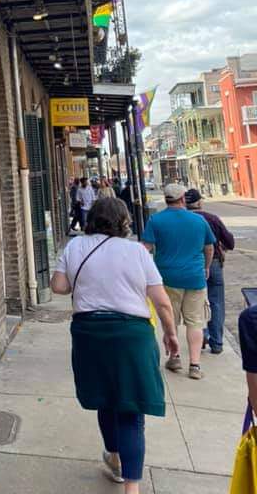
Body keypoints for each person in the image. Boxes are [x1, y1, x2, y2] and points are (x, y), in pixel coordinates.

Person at [51, 197, 179, 494]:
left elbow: (58, 286)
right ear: (123, 222)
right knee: (131, 409)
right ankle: (131, 486)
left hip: (89, 332)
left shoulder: (75, 246)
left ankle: (115, 458)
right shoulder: (136, 252)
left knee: (105, 398)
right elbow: (161, 301)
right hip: (131, 335)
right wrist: (171, 333)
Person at [142, 183, 215, 379]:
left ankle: (174, 357)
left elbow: (145, 248)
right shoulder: (198, 220)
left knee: (170, 320)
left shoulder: (155, 220)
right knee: (195, 321)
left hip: (167, 278)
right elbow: (209, 248)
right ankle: (195, 365)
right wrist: (206, 267)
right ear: (183, 198)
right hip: (194, 277)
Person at [184, 188, 235, 354]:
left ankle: (202, 336)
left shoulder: (183, 220)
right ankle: (217, 342)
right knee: (216, 302)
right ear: (199, 202)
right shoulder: (211, 218)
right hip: (213, 263)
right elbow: (230, 242)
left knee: (196, 302)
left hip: (191, 264)